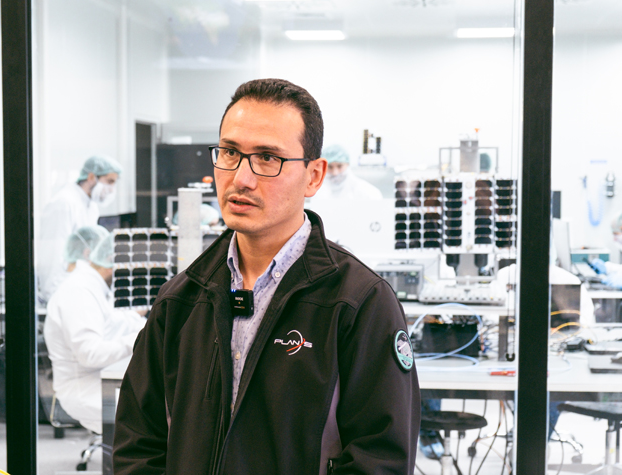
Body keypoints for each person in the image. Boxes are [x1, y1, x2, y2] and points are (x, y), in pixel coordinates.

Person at [112, 78, 420, 474]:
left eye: (267, 158)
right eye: (229, 152)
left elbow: (381, 459)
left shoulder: (359, 303)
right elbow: (138, 443)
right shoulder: (181, 300)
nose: (241, 178)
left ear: (314, 176)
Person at [44, 225, 145, 434]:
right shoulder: (79, 291)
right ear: (111, 259)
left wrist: (145, 323)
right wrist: (139, 338)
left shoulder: (94, 287)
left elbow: (113, 322)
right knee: (159, 416)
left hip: (99, 378)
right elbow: (90, 354)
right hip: (84, 389)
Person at [37, 156, 123, 303]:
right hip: (60, 291)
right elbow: (52, 257)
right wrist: (54, 297)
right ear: (91, 177)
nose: (111, 190)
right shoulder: (64, 204)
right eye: (109, 181)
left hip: (78, 288)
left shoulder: (91, 206)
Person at [307, 144, 382, 207]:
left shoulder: (368, 192)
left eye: (339, 166)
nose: (335, 173)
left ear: (347, 164)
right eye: (330, 167)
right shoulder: (315, 192)